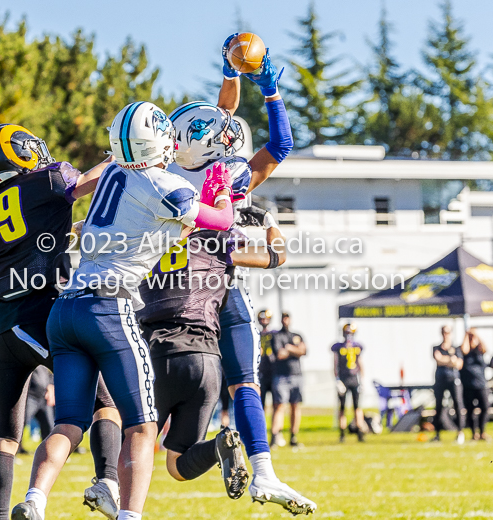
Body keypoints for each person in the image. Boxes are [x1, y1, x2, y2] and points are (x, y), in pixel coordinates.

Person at [12, 101, 235, 520]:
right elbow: (220, 220)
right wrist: (221, 186)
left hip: (66, 309)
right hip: (109, 308)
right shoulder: (166, 185)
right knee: (142, 424)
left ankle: (34, 501)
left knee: (69, 423)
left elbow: (158, 217)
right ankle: (131, 515)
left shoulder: (114, 171)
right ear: (159, 140)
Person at [167, 36, 315, 516]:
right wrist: (270, 92)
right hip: (222, 290)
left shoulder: (165, 177)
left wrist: (230, 73)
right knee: (244, 383)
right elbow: (280, 144)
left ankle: (107, 474)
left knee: (156, 425)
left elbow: (221, 116)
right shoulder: (231, 178)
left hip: (169, 296)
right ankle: (265, 471)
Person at [0, 123, 121, 520]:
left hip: (6, 320)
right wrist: (128, 150)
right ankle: (107, 481)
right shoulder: (48, 181)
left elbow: (28, 241)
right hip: (43, 313)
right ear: (16, 155)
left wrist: (65, 234)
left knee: (5, 432)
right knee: (106, 399)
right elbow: (90, 179)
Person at [136, 206, 287, 502]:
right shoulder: (216, 244)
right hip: (207, 361)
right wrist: (270, 222)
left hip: (160, 353)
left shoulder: (146, 245)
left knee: (135, 443)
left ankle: (114, 493)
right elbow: (276, 255)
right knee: (177, 464)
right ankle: (219, 444)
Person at [270, 313, 306, 448]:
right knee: (280, 405)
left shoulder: (297, 335)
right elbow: (279, 354)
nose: (285, 320)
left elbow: (304, 351)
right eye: (283, 318)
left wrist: (289, 348)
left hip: (297, 375)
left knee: (295, 406)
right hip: (281, 376)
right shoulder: (277, 336)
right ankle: (274, 436)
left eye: (287, 318)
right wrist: (295, 350)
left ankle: (293, 437)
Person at [331, 323, 366, 443]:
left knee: (357, 407)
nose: (348, 335)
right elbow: (335, 364)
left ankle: (360, 432)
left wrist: (362, 380)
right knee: (342, 408)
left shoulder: (357, 346)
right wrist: (337, 380)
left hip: (354, 379)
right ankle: (342, 433)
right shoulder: (338, 347)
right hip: (343, 379)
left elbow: (360, 363)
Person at [431, 325, 465, 444]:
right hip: (440, 380)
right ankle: (437, 433)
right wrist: (450, 360)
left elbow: (459, 364)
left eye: (448, 332)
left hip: (454, 380)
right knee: (438, 407)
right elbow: (438, 359)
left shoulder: (456, 348)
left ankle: (460, 432)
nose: (446, 334)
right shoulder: (436, 347)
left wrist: (445, 360)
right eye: (444, 332)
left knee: (458, 404)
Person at [460, 329, 490, 441]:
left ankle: (482, 431)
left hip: (481, 384)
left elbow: (485, 348)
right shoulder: (465, 350)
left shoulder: (479, 350)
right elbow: (464, 349)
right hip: (468, 385)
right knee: (470, 410)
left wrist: (476, 334)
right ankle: (474, 433)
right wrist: (466, 335)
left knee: (485, 407)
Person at [23, 366, 55, 445]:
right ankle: (16, 449)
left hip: (44, 396)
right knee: (21, 423)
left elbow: (50, 374)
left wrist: (51, 388)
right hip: (30, 396)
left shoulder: (45, 358)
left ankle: (46, 451)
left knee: (49, 426)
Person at [257, 310, 275, 410]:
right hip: (261, 371)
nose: (264, 321)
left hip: (273, 371)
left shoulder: (275, 334)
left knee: (276, 403)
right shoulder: (256, 334)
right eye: (262, 319)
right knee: (260, 402)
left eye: (266, 319)